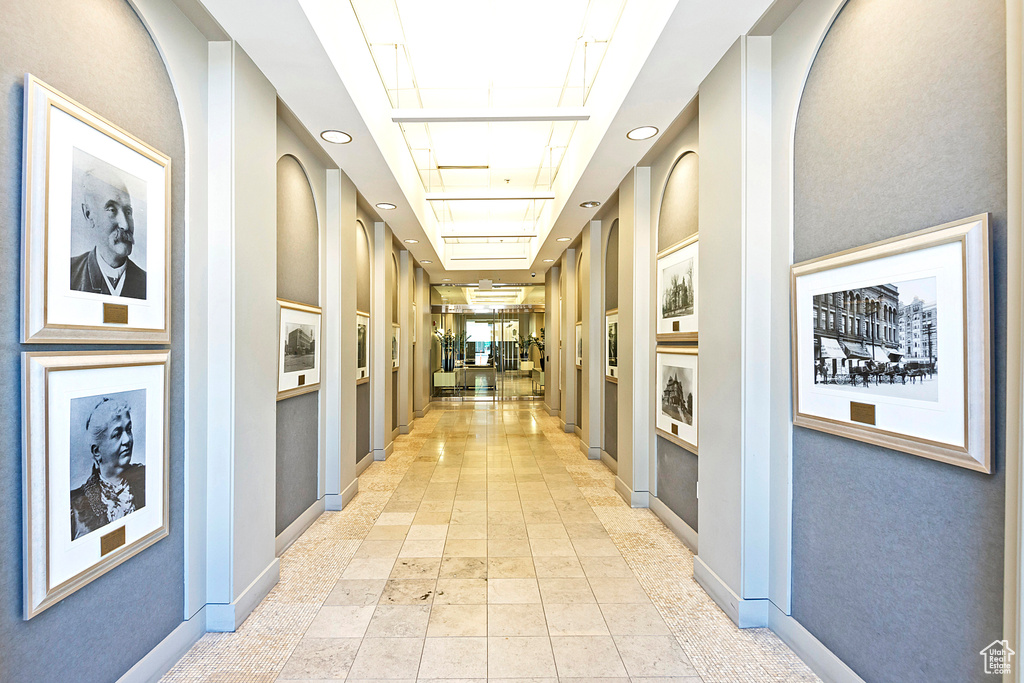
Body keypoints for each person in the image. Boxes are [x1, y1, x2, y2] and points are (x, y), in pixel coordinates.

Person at [70, 398, 146, 540]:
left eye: (128, 429)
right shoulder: (76, 505)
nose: (127, 440)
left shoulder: (147, 479)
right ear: (97, 451)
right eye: (117, 434)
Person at [70, 166, 147, 299]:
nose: (125, 225)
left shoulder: (147, 284)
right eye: (112, 210)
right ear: (88, 215)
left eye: (128, 212)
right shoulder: (69, 274)